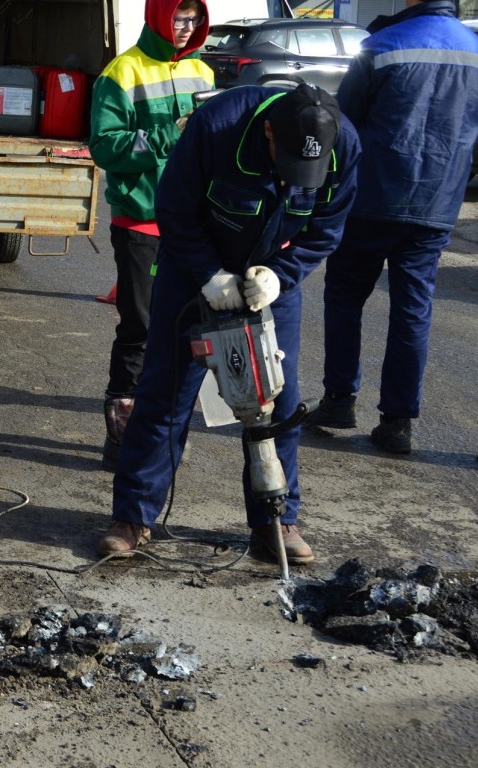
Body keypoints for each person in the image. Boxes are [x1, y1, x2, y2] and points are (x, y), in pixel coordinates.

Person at [97, 83, 361, 565]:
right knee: (166, 396)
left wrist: (281, 276)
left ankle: (275, 521)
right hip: (194, 271)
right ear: (267, 132)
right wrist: (209, 275)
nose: (291, 180)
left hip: (270, 275)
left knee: (277, 401)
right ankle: (133, 516)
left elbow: (327, 227)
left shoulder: (343, 146)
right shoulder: (217, 126)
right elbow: (175, 207)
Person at [308, 0, 478, 454]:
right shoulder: (477, 50)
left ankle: (338, 399)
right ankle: (398, 422)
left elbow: (343, 123)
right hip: (437, 202)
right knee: (413, 310)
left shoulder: (382, 44)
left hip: (373, 197)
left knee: (346, 295)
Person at [88, 0, 214, 471]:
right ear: (158, 16)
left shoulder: (204, 72)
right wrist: (168, 134)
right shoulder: (121, 73)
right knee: (139, 327)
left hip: (193, 225)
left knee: (189, 330)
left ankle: (164, 434)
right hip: (140, 220)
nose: (185, 28)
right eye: (178, 18)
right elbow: (104, 147)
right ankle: (121, 435)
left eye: (194, 19)